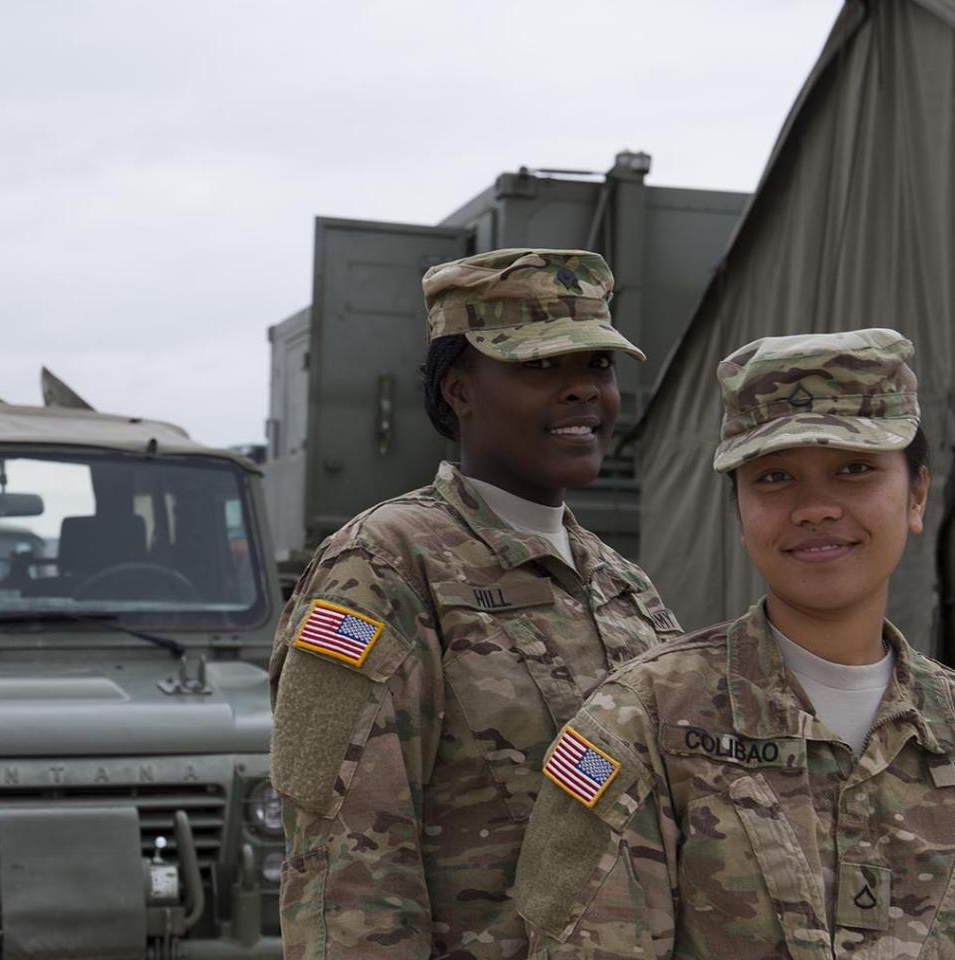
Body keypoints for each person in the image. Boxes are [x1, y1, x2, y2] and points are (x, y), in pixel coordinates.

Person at [515, 328, 955, 959]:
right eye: (775, 477)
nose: (815, 508)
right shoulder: (640, 723)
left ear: (917, 495)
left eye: (855, 469)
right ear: (739, 512)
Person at [269, 248, 686, 959]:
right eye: (540, 366)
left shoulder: (624, 586)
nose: (582, 391)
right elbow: (347, 873)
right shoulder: (383, 568)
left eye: (597, 365)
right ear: (459, 390)